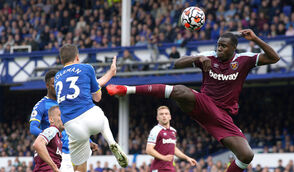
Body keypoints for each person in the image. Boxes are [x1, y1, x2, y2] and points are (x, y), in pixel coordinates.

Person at [106, 29, 280, 172]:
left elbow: (274, 58)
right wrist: (197, 58)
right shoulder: (209, 56)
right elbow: (177, 63)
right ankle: (127, 89)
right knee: (181, 91)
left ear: (233, 48)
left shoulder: (244, 60)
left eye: (223, 46)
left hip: (222, 116)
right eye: (218, 45)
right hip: (203, 103)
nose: (219, 49)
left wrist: (255, 38)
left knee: (246, 155)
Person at [54, 44, 128, 172]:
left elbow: (83, 86)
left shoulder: (57, 77)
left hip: (72, 126)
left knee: (79, 167)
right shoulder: (86, 68)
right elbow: (97, 97)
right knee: (102, 118)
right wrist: (111, 73)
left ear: (61, 60)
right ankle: (112, 142)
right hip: (90, 116)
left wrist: (109, 74)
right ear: (77, 57)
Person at [29, 70, 98, 172]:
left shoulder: (66, 102)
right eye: (53, 84)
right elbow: (33, 128)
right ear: (47, 85)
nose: (56, 86)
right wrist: (51, 136)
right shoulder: (41, 105)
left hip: (72, 149)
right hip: (58, 152)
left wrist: (89, 140)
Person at [146, 106, 197, 171]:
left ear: (170, 117)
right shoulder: (155, 130)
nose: (164, 116)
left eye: (166, 114)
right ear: (157, 118)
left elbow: (174, 149)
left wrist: (187, 158)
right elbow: (149, 149)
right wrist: (164, 157)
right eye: (161, 114)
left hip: (170, 168)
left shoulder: (173, 131)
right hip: (158, 169)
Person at [32, 106, 64, 172]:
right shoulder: (52, 130)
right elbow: (37, 144)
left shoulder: (57, 136)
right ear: (51, 119)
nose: (64, 118)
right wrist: (54, 167)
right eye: (60, 115)